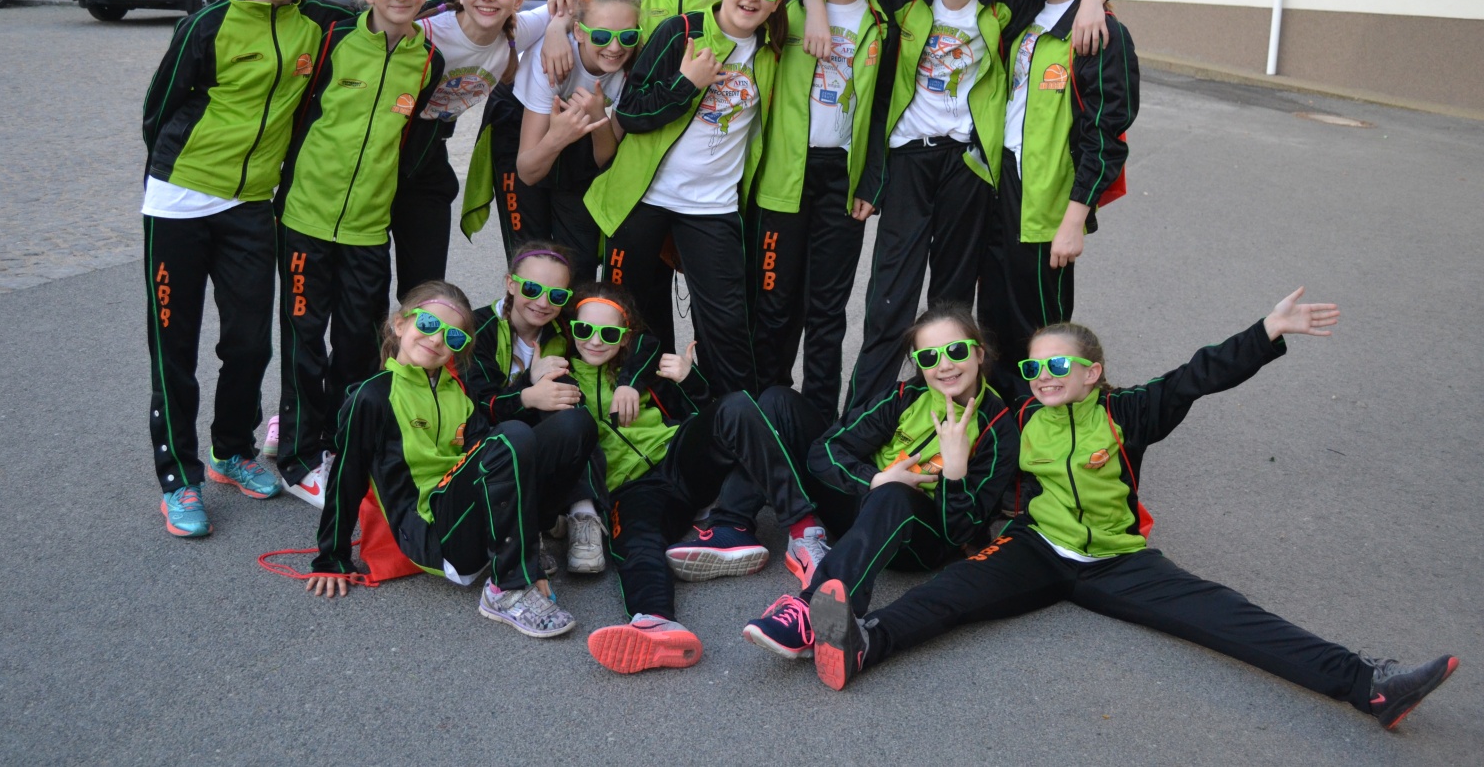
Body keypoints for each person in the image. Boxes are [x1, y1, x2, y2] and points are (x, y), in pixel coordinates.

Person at [808, 290, 1461, 734]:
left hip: (1118, 561)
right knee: (950, 593)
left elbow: (1195, 376)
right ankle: (862, 642)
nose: (1043, 374)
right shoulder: (1021, 417)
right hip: (1035, 549)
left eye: (1058, 363)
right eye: (1035, 366)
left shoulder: (1128, 412)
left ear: (1092, 373)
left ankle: (1370, 684)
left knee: (1230, 617)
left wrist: (1266, 333)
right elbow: (962, 423)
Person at [828, 0, 1115, 409]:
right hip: (908, 163)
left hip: (968, 168)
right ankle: (862, 417)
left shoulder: (1008, 4)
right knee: (889, 300)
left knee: (953, 303)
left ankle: (946, 417)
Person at [141, 0, 355, 537]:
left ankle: (231, 450)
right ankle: (179, 479)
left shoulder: (320, 24)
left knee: (250, 343)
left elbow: (397, 12)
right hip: (179, 203)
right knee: (174, 348)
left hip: (253, 205)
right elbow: (158, 107)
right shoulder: (207, 23)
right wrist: (177, 170)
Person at [303, 281, 598, 640]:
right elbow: (346, 475)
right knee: (512, 435)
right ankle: (506, 588)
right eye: (428, 324)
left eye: (453, 337)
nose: (437, 339)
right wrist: (331, 556)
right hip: (434, 534)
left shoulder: (456, 389)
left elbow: (485, 457)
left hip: (471, 516)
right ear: (401, 324)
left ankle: (520, 545)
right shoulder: (372, 396)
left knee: (574, 426)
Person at [558, 286, 828, 673]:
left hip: (679, 460)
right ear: (571, 330)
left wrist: (688, 379)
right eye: (584, 331)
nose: (596, 341)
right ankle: (656, 624)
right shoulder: (560, 375)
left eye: (609, 333)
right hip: (634, 489)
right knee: (637, 541)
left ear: (626, 337)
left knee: (738, 407)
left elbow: (708, 414)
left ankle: (803, 533)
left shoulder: (641, 367)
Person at [267, 0, 443, 506]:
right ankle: (298, 458)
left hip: (368, 228)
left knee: (358, 345)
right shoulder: (332, 37)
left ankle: (340, 445)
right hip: (306, 216)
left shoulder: (429, 60)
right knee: (303, 341)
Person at [741, 304, 1016, 660]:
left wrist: (955, 470)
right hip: (865, 501)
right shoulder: (906, 396)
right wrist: (874, 478)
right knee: (778, 401)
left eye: (956, 351)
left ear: (979, 353)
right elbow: (825, 450)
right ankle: (747, 524)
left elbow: (957, 533)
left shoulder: (999, 429)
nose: (945, 365)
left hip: (919, 536)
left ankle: (811, 611)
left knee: (894, 495)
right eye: (929, 356)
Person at [585, 0, 789, 395]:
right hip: (644, 198)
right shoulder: (680, 32)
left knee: (726, 325)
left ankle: (728, 417)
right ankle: (641, 408)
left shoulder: (772, 49)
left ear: (778, 2)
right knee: (632, 315)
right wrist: (685, 84)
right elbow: (631, 112)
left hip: (712, 205)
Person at [977, 0, 1139, 382]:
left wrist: (1074, 219)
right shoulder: (1022, 8)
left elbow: (1106, 138)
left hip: (1048, 200)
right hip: (999, 185)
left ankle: (1049, 417)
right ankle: (1005, 418)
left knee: (1040, 331)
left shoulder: (1102, 32)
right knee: (995, 324)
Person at [751, 0, 895, 417]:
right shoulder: (783, 8)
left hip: (842, 178)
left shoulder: (883, 16)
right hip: (781, 179)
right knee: (774, 306)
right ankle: (769, 415)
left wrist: (871, 181)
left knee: (827, 312)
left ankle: (816, 420)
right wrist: (811, 0)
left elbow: (883, 109)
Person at [390, 0, 576, 294]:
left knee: (424, 285)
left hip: (428, 156)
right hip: (382, 150)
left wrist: (556, 27)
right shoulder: (426, 31)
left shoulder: (515, 31)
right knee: (366, 276)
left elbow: (574, 0)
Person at [466, 240, 646, 574]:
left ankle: (583, 514)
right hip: (490, 446)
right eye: (532, 288)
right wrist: (526, 393)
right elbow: (476, 405)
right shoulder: (478, 328)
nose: (543, 302)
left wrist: (628, 382)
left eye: (557, 295)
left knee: (567, 396)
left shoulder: (563, 324)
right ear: (510, 283)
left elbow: (639, 338)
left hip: (545, 440)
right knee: (555, 389)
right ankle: (529, 530)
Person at [510, 0, 637, 281]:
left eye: (628, 36)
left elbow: (605, 159)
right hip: (522, 125)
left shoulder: (632, 67)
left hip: (581, 126)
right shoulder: (551, 60)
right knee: (532, 258)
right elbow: (527, 172)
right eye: (602, 36)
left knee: (580, 261)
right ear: (579, 32)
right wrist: (557, 138)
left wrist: (598, 117)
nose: (615, 47)